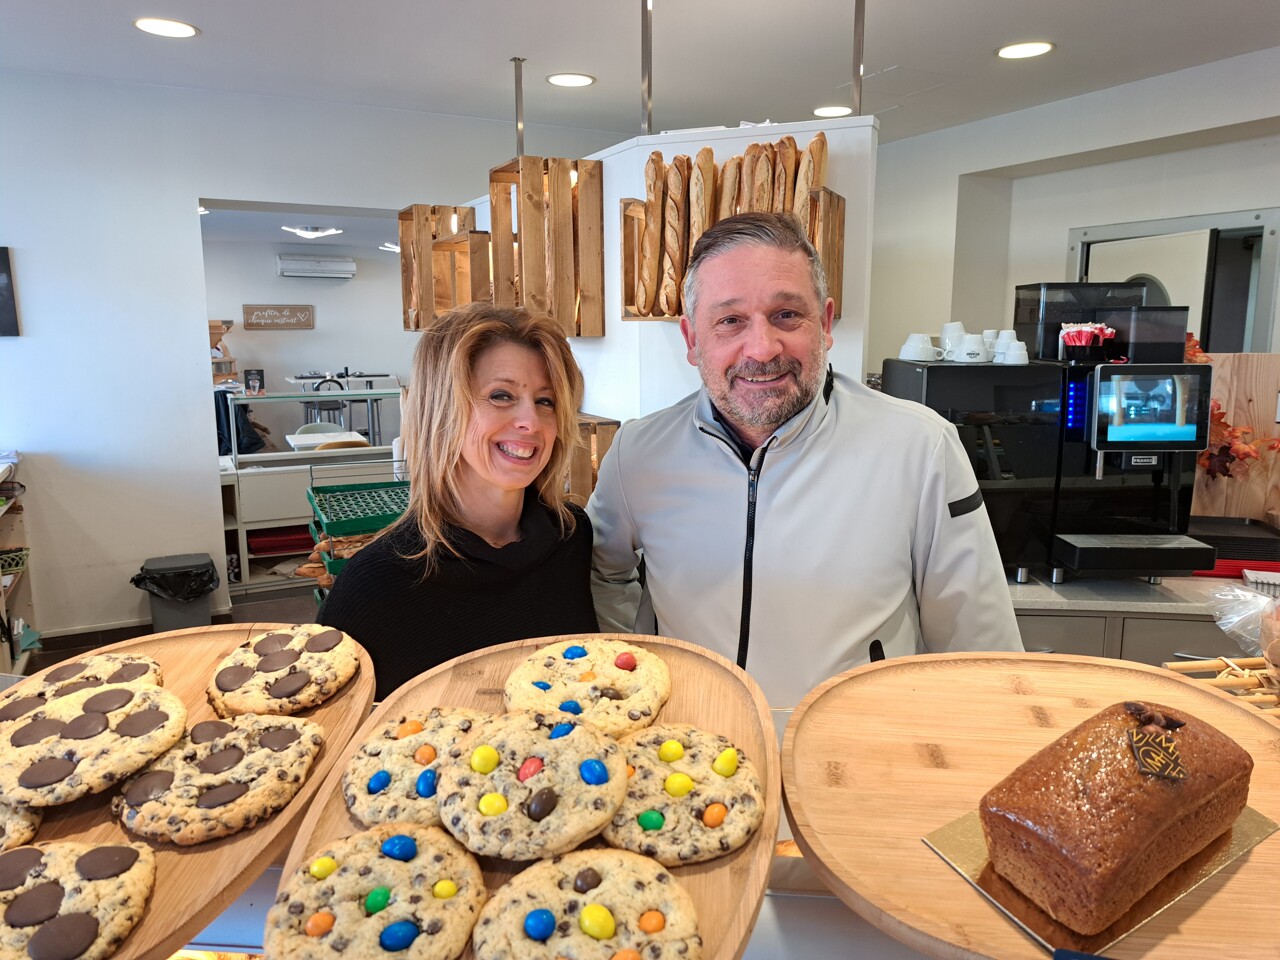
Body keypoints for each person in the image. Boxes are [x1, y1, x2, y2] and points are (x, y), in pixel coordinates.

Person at [587, 212, 1023, 707]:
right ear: (691, 339)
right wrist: (636, 662)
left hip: (850, 760)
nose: (761, 348)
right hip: (689, 753)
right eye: (730, 321)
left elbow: (980, 645)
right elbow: (604, 571)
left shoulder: (920, 448)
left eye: (786, 315)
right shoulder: (640, 452)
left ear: (826, 322)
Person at [319, 303, 598, 700]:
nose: (531, 422)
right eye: (501, 395)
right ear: (442, 409)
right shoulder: (376, 585)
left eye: (546, 401)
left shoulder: (571, 537)